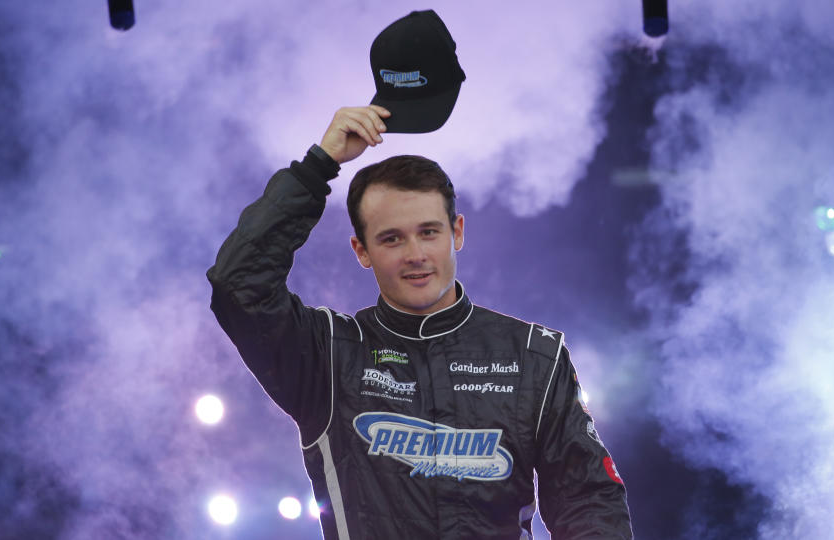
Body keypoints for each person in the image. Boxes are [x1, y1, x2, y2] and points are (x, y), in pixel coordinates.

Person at [207, 105, 633, 539]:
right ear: (362, 251)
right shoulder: (328, 354)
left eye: (429, 232)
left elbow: (589, 500)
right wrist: (319, 165)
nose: (415, 254)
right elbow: (237, 285)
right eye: (392, 238)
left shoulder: (533, 355)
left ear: (458, 232)